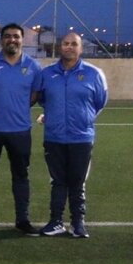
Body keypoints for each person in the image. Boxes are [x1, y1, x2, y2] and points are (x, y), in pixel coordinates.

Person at [37, 32, 107, 238]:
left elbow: (100, 102)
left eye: (73, 44)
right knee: (57, 181)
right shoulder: (47, 74)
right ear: (60, 47)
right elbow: (42, 99)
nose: (69, 47)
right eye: (66, 43)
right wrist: (53, 116)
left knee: (77, 181)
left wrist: (83, 119)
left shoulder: (94, 74)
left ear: (80, 48)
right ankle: (55, 221)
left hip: (81, 138)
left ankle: (78, 223)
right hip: (54, 137)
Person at [0, 23, 43, 235]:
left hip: (20, 131)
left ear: (22, 39)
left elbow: (34, 96)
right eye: (7, 36)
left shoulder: (33, 66)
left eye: (16, 36)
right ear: (1, 40)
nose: (12, 40)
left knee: (20, 176)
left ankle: (22, 220)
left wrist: (16, 108)